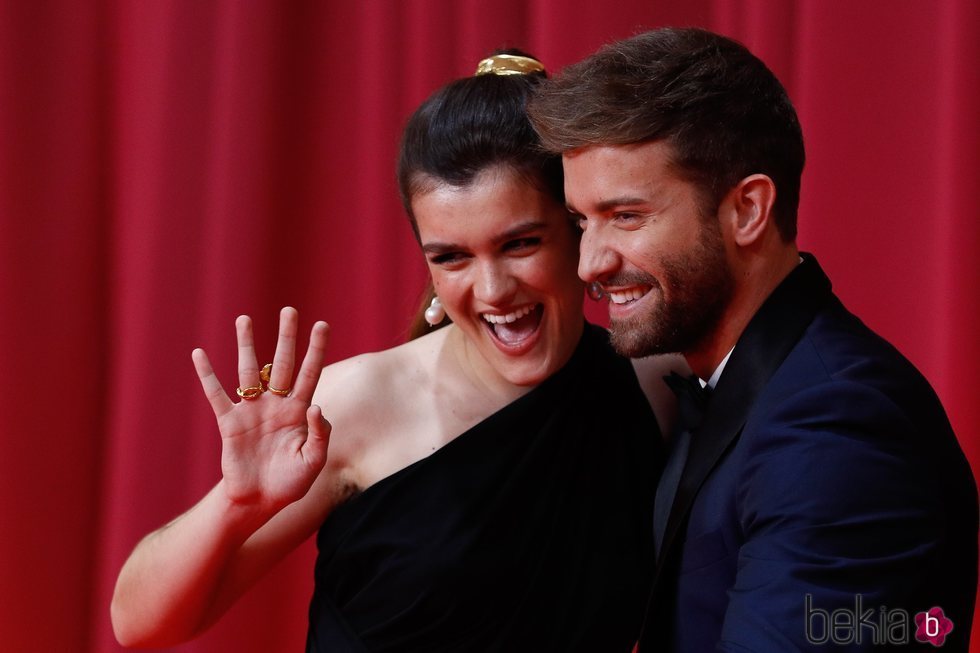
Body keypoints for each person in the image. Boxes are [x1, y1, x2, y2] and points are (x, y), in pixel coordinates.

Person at [111, 51, 669, 652]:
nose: (491, 290)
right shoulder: (352, 405)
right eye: (450, 257)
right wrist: (235, 504)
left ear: (578, 231)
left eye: (521, 243)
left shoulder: (653, 388)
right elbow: (141, 626)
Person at [528, 27, 979, 652]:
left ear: (747, 211)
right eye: (583, 222)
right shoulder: (737, 386)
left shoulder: (836, 424)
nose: (589, 264)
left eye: (626, 216)